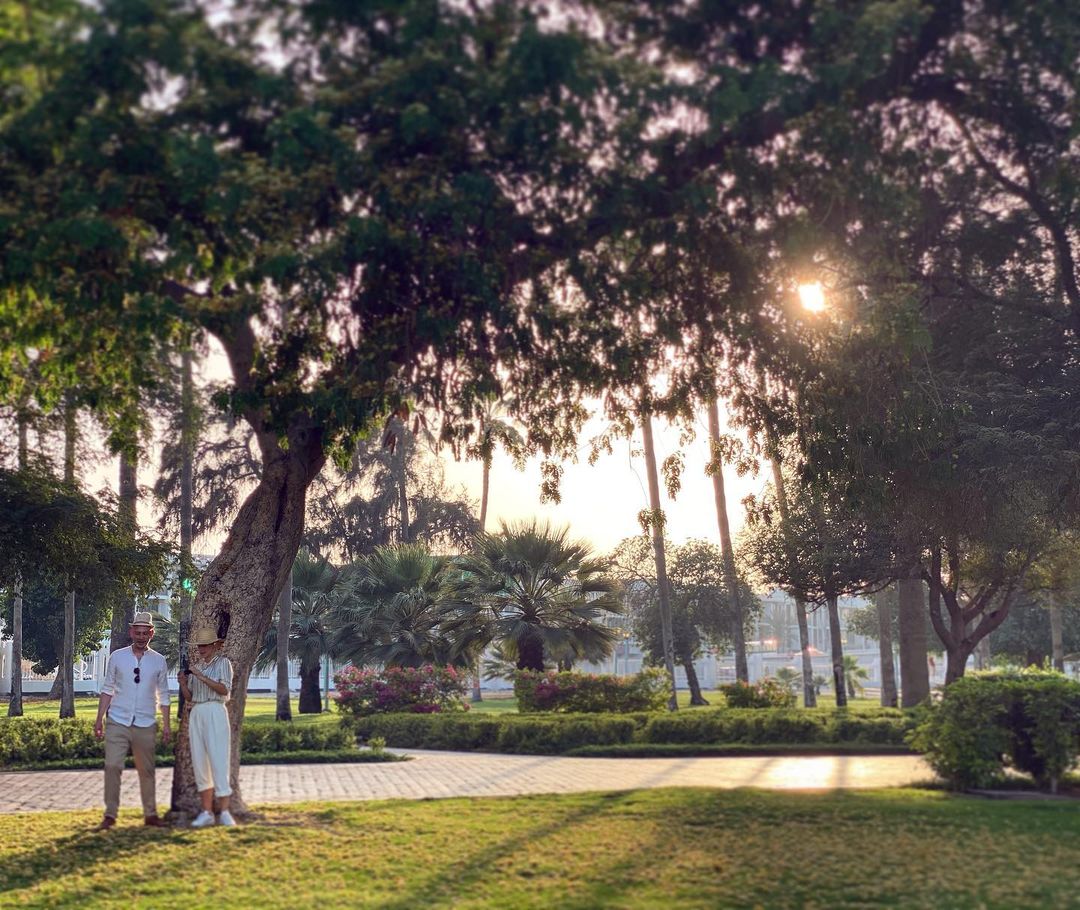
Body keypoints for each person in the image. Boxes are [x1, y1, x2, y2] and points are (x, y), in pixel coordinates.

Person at [93, 611, 171, 830]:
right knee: (112, 766)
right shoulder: (117, 657)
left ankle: (150, 814)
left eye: (145, 633)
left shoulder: (159, 661)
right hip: (118, 720)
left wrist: (166, 725)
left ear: (151, 634)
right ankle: (110, 815)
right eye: (137, 632)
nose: (140, 636)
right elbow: (107, 689)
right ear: (131, 632)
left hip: (146, 722)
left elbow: (163, 694)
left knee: (146, 770)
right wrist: (99, 719)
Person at [179, 626, 236, 828]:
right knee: (200, 761)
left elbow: (224, 689)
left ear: (214, 645)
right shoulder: (196, 667)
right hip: (197, 712)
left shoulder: (223, 663)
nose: (201, 649)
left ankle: (225, 812)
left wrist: (201, 676)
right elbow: (191, 697)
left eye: (205, 645)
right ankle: (207, 812)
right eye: (199, 645)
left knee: (219, 759)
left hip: (215, 710)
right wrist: (184, 684)